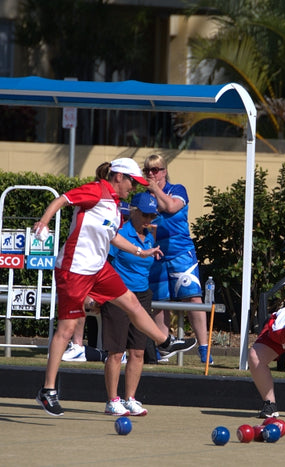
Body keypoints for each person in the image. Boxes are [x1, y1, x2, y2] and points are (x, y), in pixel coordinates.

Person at [34, 158, 197, 417]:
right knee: (65, 330)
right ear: (118, 176)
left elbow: (113, 236)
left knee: (131, 301)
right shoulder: (95, 190)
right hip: (74, 269)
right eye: (132, 181)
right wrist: (43, 222)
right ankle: (48, 390)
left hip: (98, 269)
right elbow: (62, 200)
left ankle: (164, 342)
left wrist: (140, 252)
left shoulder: (114, 204)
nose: (133, 186)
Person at [143, 154, 212, 364]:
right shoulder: (145, 196)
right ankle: (163, 348)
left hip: (181, 252)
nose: (152, 174)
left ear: (164, 171)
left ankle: (204, 348)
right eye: (148, 170)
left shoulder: (178, 190)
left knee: (192, 298)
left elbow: (171, 207)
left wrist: (155, 190)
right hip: (156, 253)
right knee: (158, 303)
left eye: (156, 170)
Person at [102, 192, 161, 416]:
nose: (148, 219)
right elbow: (105, 262)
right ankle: (112, 400)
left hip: (142, 295)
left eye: (152, 215)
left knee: (138, 351)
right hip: (118, 295)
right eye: (144, 214)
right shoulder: (119, 233)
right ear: (133, 211)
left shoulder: (150, 235)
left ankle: (130, 399)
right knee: (116, 352)